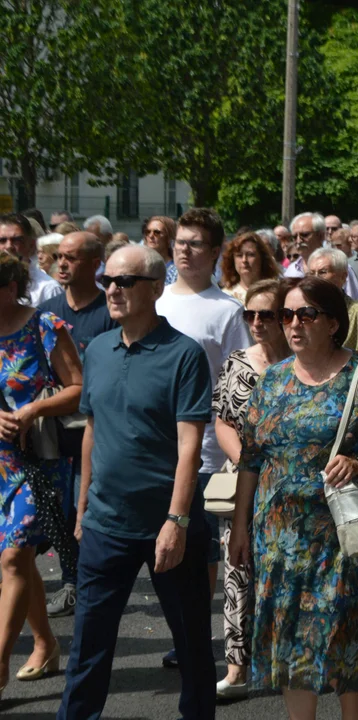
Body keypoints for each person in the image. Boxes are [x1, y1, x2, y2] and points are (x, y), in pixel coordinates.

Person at [229, 276, 358, 718]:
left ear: (333, 323)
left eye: (305, 314)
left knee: (340, 633)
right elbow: (250, 458)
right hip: (279, 540)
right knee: (293, 640)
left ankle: (353, 713)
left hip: (342, 535)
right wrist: (240, 527)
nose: (293, 324)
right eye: (286, 315)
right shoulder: (272, 381)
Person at [57, 245, 214, 719]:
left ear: (155, 287)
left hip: (169, 525)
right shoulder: (98, 349)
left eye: (124, 282)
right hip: (105, 523)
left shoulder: (184, 354)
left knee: (191, 646)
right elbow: (92, 431)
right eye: (108, 280)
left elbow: (190, 449)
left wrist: (177, 521)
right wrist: (83, 509)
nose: (112, 290)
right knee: (88, 647)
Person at [155, 207, 250, 668]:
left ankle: (198, 633)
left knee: (205, 549)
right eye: (181, 241)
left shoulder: (227, 311)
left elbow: (240, 383)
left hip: (212, 455)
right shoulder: (154, 301)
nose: (185, 250)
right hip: (156, 453)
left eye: (196, 243)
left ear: (214, 253)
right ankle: (186, 631)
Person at [0, 252, 82, 698]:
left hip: (35, 460)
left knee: (13, 559)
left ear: (11, 288)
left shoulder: (44, 327)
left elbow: (77, 388)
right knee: (18, 559)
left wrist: (33, 408)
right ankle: (46, 643)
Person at [210, 279, 291, 700]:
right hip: (243, 484)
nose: (256, 322)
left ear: (286, 317)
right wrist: (246, 462)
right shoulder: (237, 362)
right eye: (250, 314)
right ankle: (237, 668)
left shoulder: (306, 365)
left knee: (289, 572)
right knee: (237, 572)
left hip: (293, 485)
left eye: (267, 314)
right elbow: (221, 419)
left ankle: (287, 660)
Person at [37, 233, 119, 619]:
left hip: (97, 428)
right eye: (58, 257)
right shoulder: (49, 311)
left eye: (71, 257)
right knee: (58, 511)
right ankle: (71, 581)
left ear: (95, 262)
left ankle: (88, 581)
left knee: (85, 509)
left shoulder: (110, 310)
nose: (62, 264)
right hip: (54, 432)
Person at [305, 248, 358, 368]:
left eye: (323, 272)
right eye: (311, 273)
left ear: (343, 277)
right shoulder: (302, 311)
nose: (315, 278)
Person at [283, 212, 358, 299]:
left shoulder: (339, 265)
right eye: (294, 237)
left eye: (304, 235)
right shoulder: (291, 271)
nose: (298, 240)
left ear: (320, 235)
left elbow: (354, 301)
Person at [0, 213, 62, 307]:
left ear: (32, 245)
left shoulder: (48, 288)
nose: (9, 246)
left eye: (17, 240)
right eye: (2, 240)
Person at [219, 230, 280, 302]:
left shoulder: (276, 292)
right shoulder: (226, 296)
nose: (244, 260)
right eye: (239, 255)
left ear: (262, 258)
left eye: (250, 254)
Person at [143, 216, 179, 284]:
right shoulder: (142, 269)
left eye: (157, 232)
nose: (151, 236)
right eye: (147, 232)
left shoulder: (176, 273)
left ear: (169, 238)